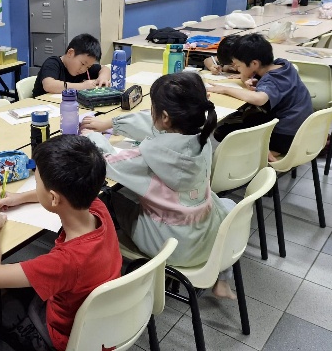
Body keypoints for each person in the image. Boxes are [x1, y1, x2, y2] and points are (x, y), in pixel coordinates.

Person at [81, 72, 236, 299]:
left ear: (164, 117)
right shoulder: (202, 138)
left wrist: (91, 137)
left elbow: (106, 163)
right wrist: (112, 123)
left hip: (169, 246)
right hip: (206, 238)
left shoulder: (151, 155)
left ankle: (99, 273)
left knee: (107, 198)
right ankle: (223, 278)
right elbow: (153, 125)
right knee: (225, 205)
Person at [0, 135, 121, 351]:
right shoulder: (97, 206)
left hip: (64, 338)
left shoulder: (66, 261)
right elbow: (61, 193)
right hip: (99, 322)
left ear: (53, 198)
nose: (36, 184)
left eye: (37, 180)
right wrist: (20, 197)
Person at [209, 33, 313, 161]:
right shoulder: (283, 65)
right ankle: (265, 150)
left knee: (223, 132)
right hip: (301, 129)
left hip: (286, 136)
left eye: (238, 65)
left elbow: (259, 99)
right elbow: (278, 88)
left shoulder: (271, 80)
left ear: (254, 64)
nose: (236, 68)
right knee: (249, 118)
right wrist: (257, 81)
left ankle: (267, 152)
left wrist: (225, 89)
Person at [31, 33, 111, 97]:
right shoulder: (53, 63)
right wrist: (82, 86)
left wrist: (102, 78)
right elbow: (49, 85)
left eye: (88, 67)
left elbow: (105, 68)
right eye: (82, 64)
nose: (83, 69)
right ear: (70, 53)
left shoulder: (85, 68)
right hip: (42, 109)